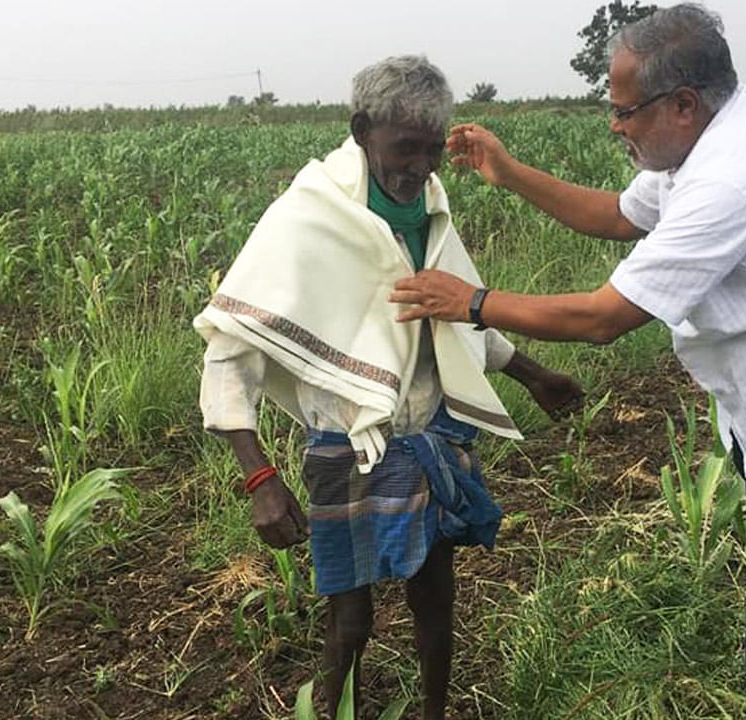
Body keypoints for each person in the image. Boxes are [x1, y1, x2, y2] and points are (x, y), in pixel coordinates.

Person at [388, 5, 746, 719]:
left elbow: (603, 318)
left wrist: (473, 301)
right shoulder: (696, 142)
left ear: (682, 103)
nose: (615, 126)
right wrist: (511, 172)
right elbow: (618, 214)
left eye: (625, 112)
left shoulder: (734, 177)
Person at [193, 55, 583, 719]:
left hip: (431, 434)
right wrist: (259, 479)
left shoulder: (430, 207)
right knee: (351, 622)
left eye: (434, 151)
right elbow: (230, 356)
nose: (421, 167)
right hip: (345, 444)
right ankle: (330, 709)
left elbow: (460, 316)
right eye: (407, 148)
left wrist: (532, 374)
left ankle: (433, 712)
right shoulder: (307, 218)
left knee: (436, 603)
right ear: (362, 130)